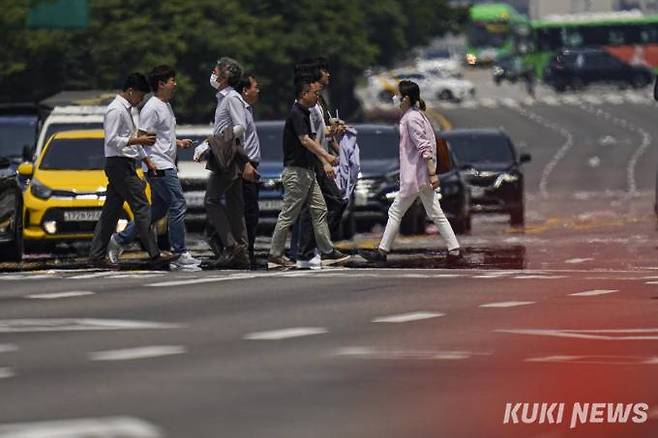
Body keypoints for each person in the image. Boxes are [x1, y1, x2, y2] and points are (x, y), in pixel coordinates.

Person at [106, 65, 200, 270]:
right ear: (161, 84)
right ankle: (179, 252)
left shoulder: (165, 105)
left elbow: (159, 137)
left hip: (164, 163)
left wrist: (177, 143)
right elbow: (143, 137)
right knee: (178, 204)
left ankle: (120, 240)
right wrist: (148, 162)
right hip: (159, 166)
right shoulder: (152, 107)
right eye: (172, 81)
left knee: (157, 210)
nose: (175, 84)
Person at [360, 80, 463, 264]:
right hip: (421, 175)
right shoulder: (418, 115)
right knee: (435, 213)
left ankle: (382, 252)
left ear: (405, 98)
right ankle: (454, 250)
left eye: (397, 95)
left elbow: (424, 146)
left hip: (415, 175)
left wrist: (432, 173)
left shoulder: (411, 118)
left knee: (395, 211)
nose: (394, 98)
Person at [88, 73, 175, 268]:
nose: (141, 100)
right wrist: (139, 140)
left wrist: (146, 159)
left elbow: (130, 139)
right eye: (140, 96)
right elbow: (112, 140)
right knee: (142, 206)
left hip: (124, 163)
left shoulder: (127, 110)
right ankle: (154, 253)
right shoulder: (115, 111)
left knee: (111, 212)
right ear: (130, 91)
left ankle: (96, 255)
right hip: (118, 164)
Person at [267, 78, 350, 269]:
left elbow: (315, 137)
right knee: (288, 214)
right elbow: (305, 140)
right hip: (296, 172)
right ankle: (274, 255)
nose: (317, 97)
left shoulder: (305, 113)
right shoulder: (297, 113)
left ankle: (327, 252)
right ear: (304, 94)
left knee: (320, 210)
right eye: (314, 93)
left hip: (308, 172)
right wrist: (326, 156)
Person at [291, 59, 348, 268]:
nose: (328, 75)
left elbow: (321, 130)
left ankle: (312, 250)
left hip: (318, 160)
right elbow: (309, 136)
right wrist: (325, 160)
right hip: (313, 162)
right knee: (329, 203)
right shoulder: (305, 105)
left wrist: (334, 141)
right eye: (324, 72)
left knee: (317, 207)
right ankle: (312, 250)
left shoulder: (319, 101)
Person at [204, 57, 258, 269]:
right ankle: (241, 251)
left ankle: (231, 246)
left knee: (211, 200)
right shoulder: (224, 98)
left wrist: (214, 143)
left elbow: (240, 127)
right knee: (235, 205)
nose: (213, 73)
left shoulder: (231, 98)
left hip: (227, 155)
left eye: (216, 70)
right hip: (229, 154)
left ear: (224, 76)